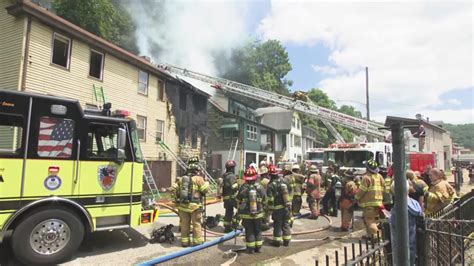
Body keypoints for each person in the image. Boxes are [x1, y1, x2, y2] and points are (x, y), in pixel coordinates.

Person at [171, 163, 209, 247]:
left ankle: (184, 242)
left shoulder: (181, 179)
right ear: (196, 171)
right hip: (194, 207)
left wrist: (176, 201)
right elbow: (205, 190)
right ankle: (197, 242)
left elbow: (173, 189)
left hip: (182, 206)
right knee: (196, 224)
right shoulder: (198, 179)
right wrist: (207, 183)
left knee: (184, 224)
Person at [390, 180, 423, 266]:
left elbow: (395, 224)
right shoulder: (415, 203)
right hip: (414, 240)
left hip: (401, 244)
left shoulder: (398, 207)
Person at [236, 167, 267, 254]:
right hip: (259, 214)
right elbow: (265, 200)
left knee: (249, 231)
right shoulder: (260, 187)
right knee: (258, 230)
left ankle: (251, 249)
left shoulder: (243, 188)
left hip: (247, 215)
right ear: (255, 177)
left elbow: (238, 200)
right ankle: (258, 248)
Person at [355, 159, 385, 239]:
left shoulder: (366, 178)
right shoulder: (380, 177)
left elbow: (362, 191)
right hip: (378, 203)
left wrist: (356, 198)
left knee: (369, 221)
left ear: (367, 168)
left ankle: (377, 236)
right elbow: (383, 189)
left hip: (369, 204)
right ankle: (369, 235)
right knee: (369, 220)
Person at [267, 164, 292, 247]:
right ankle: (286, 241)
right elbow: (289, 191)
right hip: (286, 207)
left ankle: (277, 242)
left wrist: (270, 210)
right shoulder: (284, 181)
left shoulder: (270, 185)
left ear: (270, 175)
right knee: (286, 224)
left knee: (277, 225)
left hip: (277, 209)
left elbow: (270, 199)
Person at [220, 160, 239, 233]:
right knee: (241, 209)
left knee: (228, 212)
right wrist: (239, 185)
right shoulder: (231, 176)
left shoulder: (224, 175)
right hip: (232, 197)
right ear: (231, 168)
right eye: (233, 168)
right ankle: (235, 224)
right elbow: (234, 187)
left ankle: (227, 228)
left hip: (226, 198)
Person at [259, 165, 271, 230]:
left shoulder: (258, 180)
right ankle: (265, 224)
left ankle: (261, 223)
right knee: (267, 213)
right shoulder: (267, 181)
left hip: (259, 199)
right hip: (266, 199)